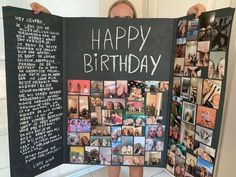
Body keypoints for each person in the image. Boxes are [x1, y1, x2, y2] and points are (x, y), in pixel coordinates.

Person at [30, 1, 206, 177]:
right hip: (109, 105)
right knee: (113, 153)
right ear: (107, 21)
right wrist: (48, 19)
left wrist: (190, 17)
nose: (121, 22)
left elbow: (170, 40)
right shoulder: (98, 41)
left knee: (137, 156)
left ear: (136, 21)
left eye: (127, 18)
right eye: (115, 18)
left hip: (138, 105)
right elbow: (69, 40)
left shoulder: (148, 41)